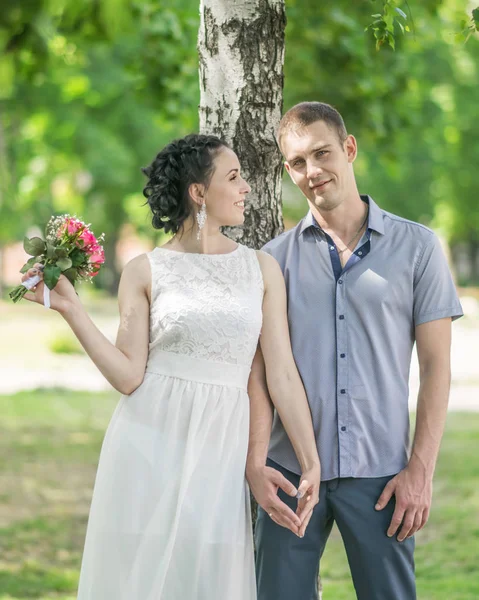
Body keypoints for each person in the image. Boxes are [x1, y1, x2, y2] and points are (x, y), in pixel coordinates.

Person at [21, 133, 320, 600]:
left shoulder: (261, 270)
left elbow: (277, 375)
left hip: (221, 448)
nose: (247, 188)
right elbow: (128, 376)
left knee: (207, 577)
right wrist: (73, 310)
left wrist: (308, 459)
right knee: (143, 579)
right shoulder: (145, 270)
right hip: (149, 441)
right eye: (234, 177)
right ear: (198, 193)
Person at [246, 102, 464, 600]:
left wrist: (420, 471)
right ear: (287, 170)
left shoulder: (418, 248)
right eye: (298, 162)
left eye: (322, 153)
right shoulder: (272, 262)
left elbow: (436, 368)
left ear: (349, 149)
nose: (312, 171)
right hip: (290, 475)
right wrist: (256, 463)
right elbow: (259, 374)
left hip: (383, 475)